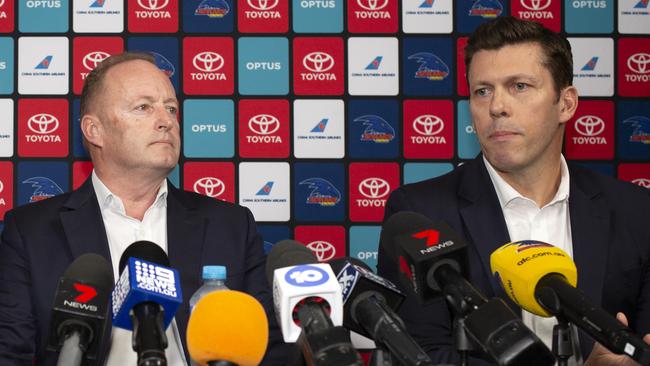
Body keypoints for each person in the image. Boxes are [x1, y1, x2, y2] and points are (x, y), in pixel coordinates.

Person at [378, 16, 650, 365]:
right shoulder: (420, 212)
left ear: (566, 104)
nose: (496, 107)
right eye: (482, 91)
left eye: (519, 86)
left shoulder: (635, 211)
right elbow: (421, 355)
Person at [0, 52, 290, 365]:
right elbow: (9, 353)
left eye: (171, 109)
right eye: (143, 107)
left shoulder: (231, 225)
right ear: (94, 130)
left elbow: (272, 350)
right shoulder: (31, 232)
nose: (167, 121)